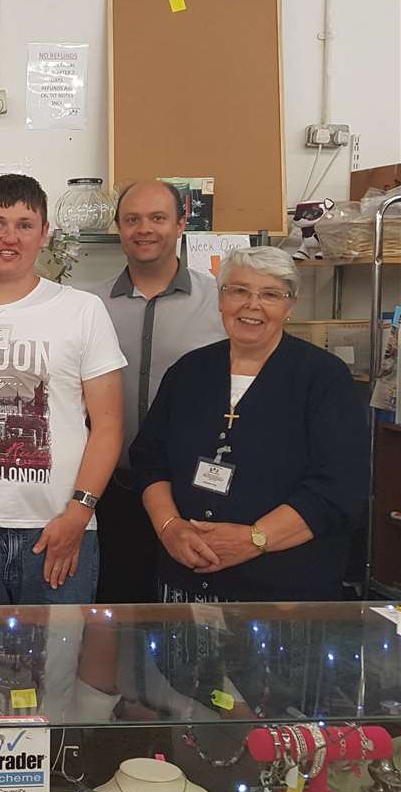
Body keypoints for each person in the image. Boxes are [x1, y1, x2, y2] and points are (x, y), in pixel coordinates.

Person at [0, 174, 125, 605]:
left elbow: (109, 426)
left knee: (54, 667)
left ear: (44, 234)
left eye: (24, 224)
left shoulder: (81, 311)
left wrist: (79, 512)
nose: (9, 237)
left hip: (57, 526)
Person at [131, 246, 367, 602]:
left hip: (284, 594)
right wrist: (170, 528)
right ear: (221, 299)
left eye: (270, 294)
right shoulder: (188, 372)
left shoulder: (324, 378)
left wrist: (255, 539)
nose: (251, 305)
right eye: (239, 290)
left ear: (290, 306)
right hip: (183, 581)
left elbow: (338, 488)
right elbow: (150, 460)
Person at [83, 180, 227, 602]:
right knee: (112, 610)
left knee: (185, 623)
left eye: (158, 218)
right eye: (132, 219)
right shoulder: (88, 306)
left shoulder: (219, 301)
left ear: (182, 223)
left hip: (191, 493)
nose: (144, 229)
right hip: (108, 490)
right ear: (118, 228)